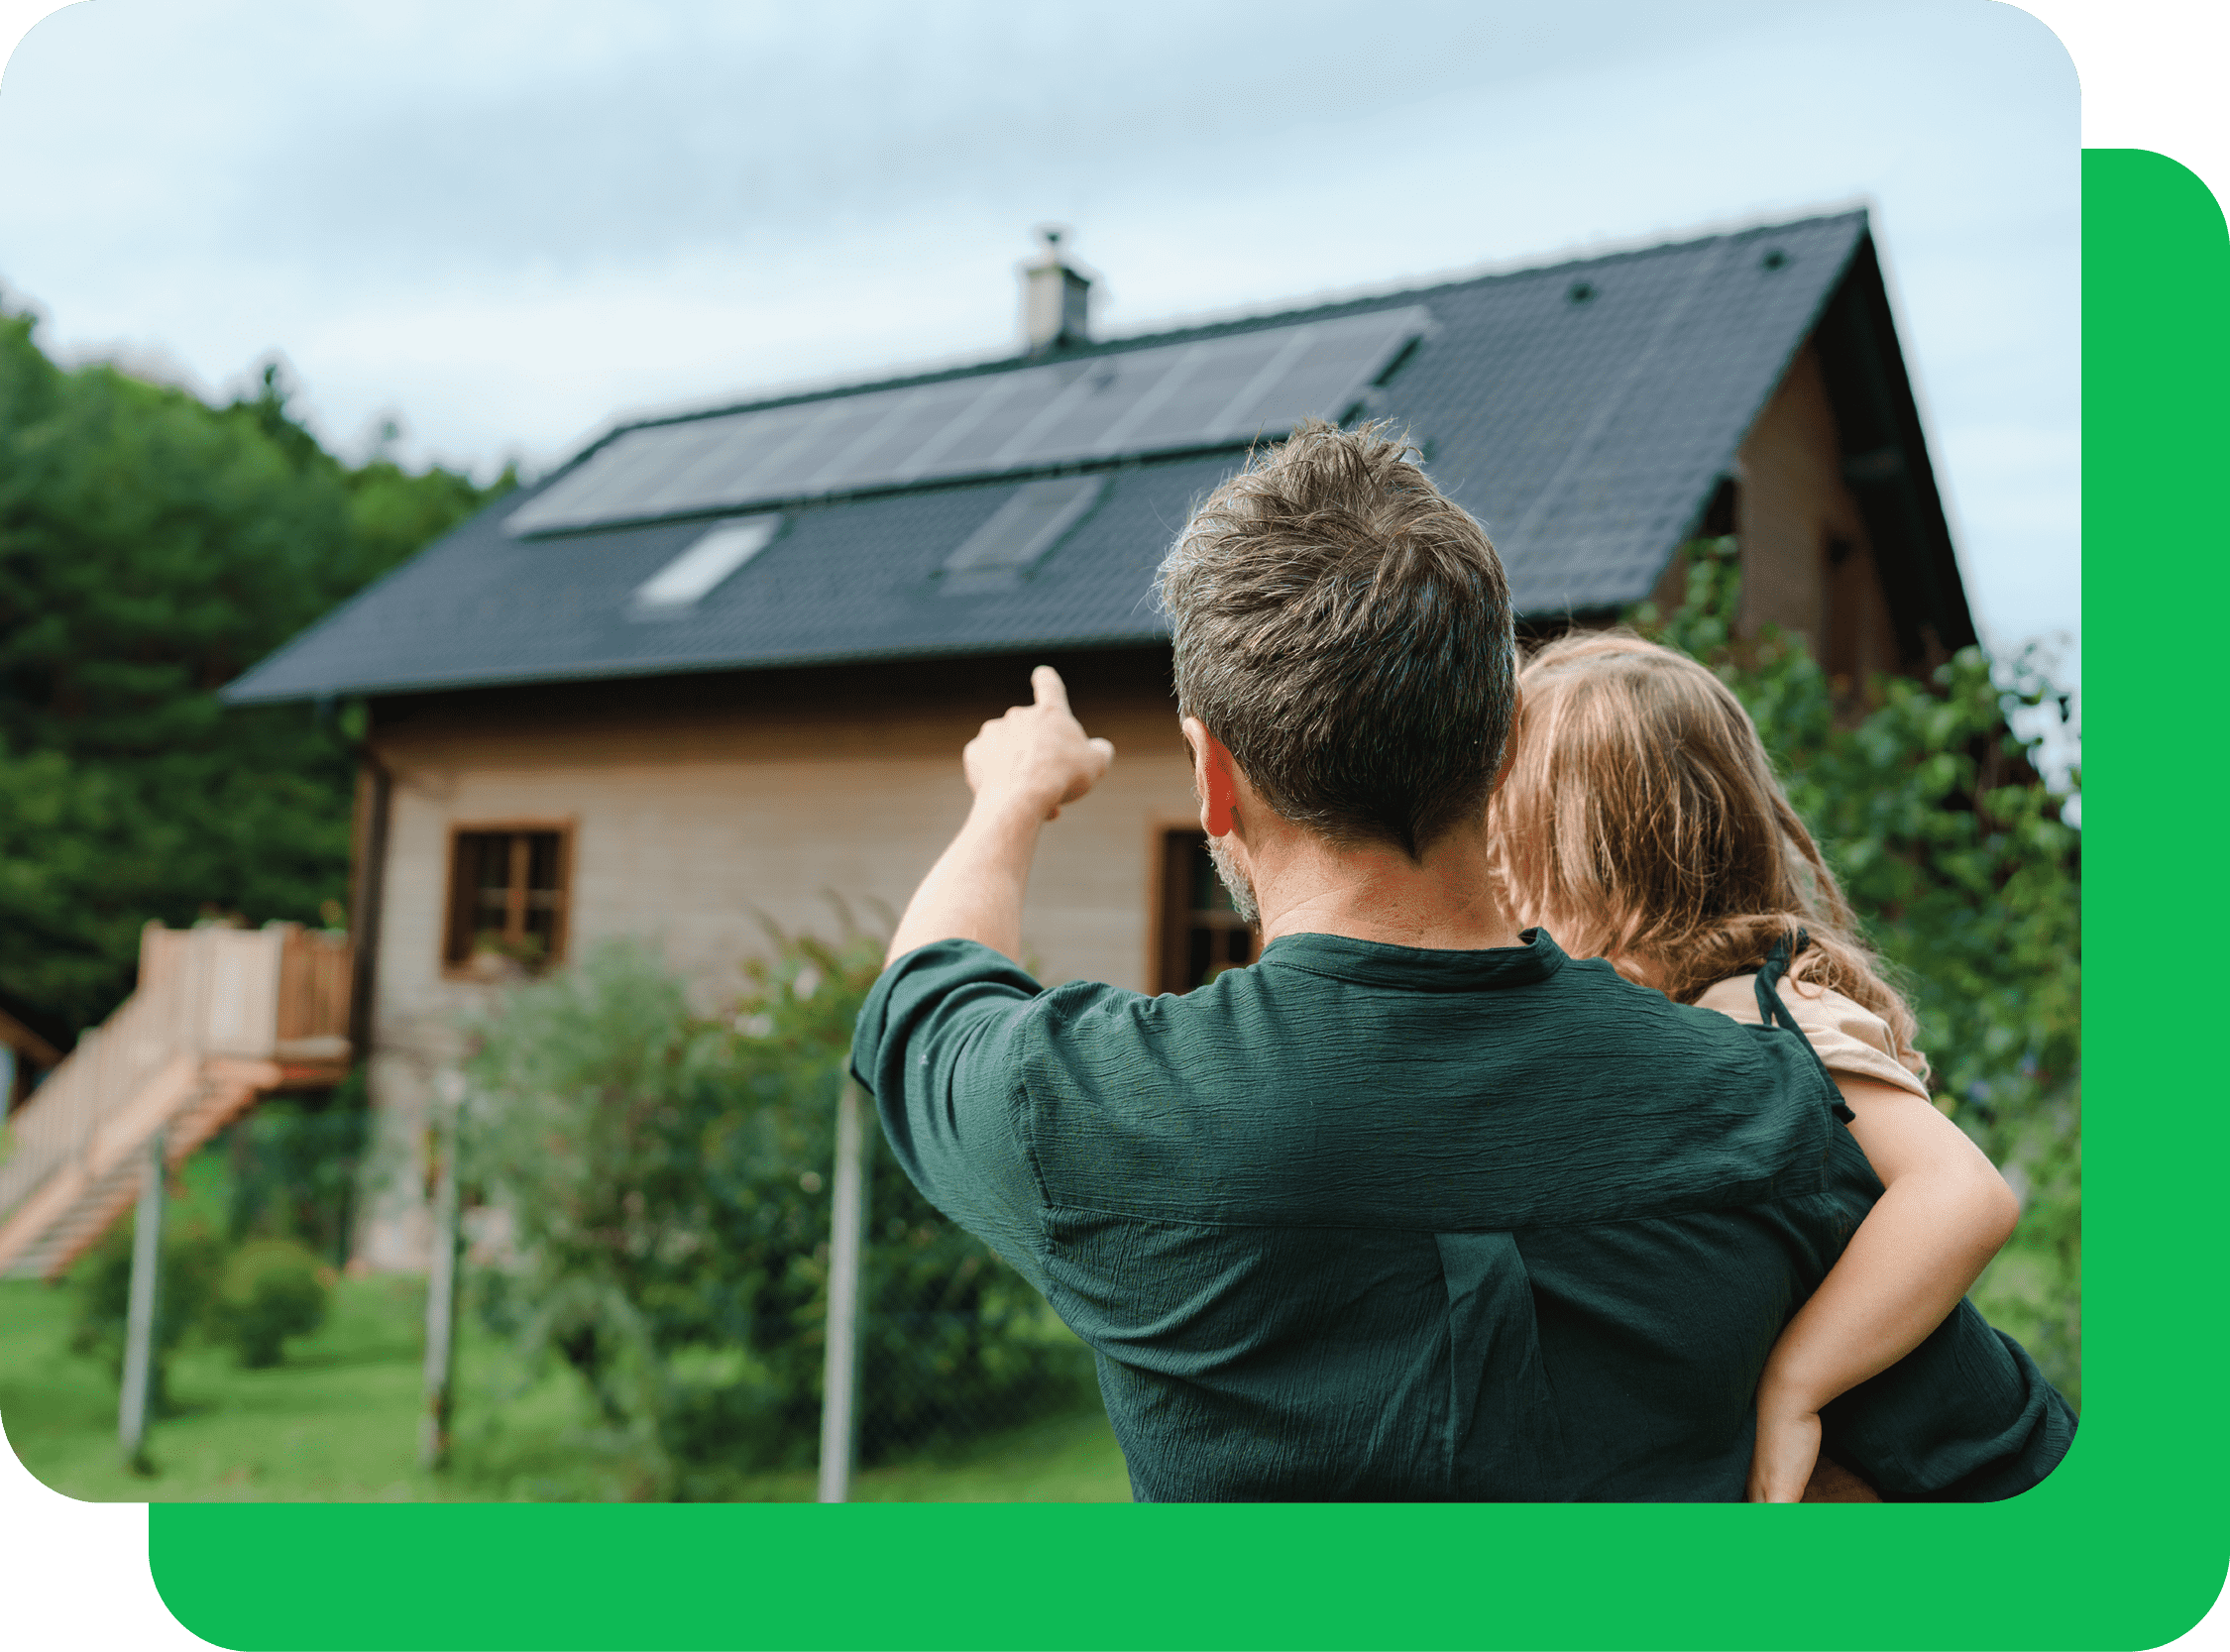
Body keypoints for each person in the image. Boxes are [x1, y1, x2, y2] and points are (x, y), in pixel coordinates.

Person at [850, 420, 2074, 1501]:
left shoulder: (1085, 1107)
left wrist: (1013, 796)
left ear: (1212, 776)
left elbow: (927, 990)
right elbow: (2039, 1487)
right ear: (1498, 752)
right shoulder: (1763, 1104)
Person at [1486, 629, 2045, 1501]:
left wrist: (1796, 1385)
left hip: (1991, 1481)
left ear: (1595, 859)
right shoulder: (1690, 1015)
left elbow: (1965, 1195)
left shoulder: (1764, 1008)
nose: (1495, 874)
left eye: (1509, 838)